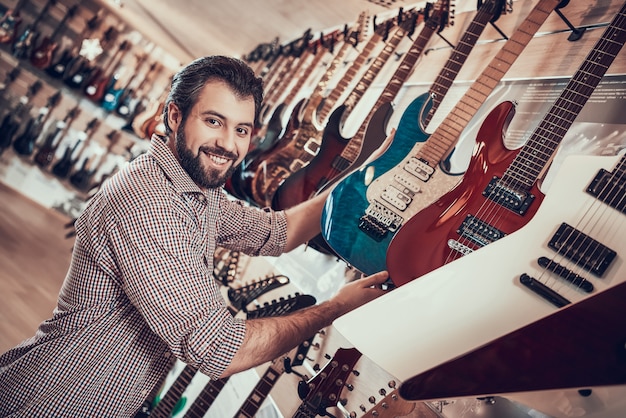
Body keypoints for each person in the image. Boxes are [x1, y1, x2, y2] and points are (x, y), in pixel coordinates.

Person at [0, 55, 390, 417]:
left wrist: (363, 173)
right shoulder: (150, 205)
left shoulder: (194, 190)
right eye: (213, 121)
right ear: (175, 115)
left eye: (241, 129)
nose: (228, 144)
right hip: (53, 402)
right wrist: (332, 309)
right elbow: (219, 349)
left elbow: (276, 232)